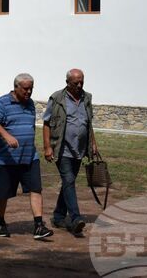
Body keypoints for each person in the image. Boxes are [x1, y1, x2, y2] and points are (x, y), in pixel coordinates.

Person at [0, 73, 52, 240]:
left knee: (36, 189)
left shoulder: (30, 104)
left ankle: (39, 225)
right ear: (16, 87)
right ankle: (0, 223)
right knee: (2, 194)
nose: (29, 91)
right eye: (25, 88)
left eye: (31, 88)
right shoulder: (3, 102)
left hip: (30, 157)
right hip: (6, 159)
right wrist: (6, 136)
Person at [42, 68, 97, 236]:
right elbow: (46, 123)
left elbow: (89, 123)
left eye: (82, 82)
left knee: (68, 182)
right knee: (69, 180)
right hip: (62, 148)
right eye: (76, 83)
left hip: (79, 149)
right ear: (67, 82)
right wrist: (47, 147)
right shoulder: (57, 98)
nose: (79, 85)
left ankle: (58, 216)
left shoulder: (87, 98)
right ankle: (75, 218)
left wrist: (93, 144)